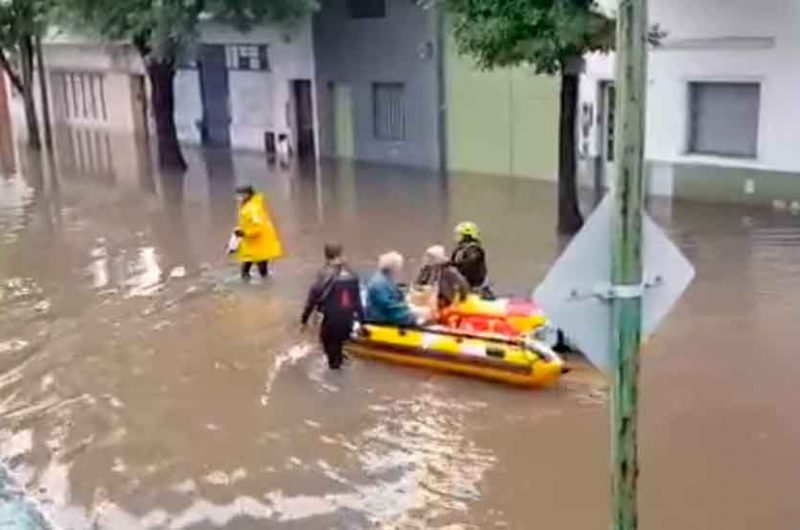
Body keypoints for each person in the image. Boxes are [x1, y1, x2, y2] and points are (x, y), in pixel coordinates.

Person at [301, 244, 363, 370]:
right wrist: (363, 321)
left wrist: (304, 320)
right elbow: (357, 301)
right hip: (347, 319)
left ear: (326, 256)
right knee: (338, 346)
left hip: (330, 320)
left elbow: (312, 298)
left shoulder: (323, 274)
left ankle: (337, 373)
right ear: (341, 255)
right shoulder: (352, 274)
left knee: (329, 350)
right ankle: (341, 363)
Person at [235, 185, 283, 280]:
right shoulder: (248, 205)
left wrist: (244, 233)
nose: (238, 198)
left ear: (247, 194)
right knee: (251, 269)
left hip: (259, 243)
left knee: (257, 269)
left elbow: (258, 227)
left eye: (240, 195)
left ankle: (264, 289)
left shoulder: (253, 208)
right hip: (253, 244)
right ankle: (264, 287)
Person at [366, 252, 426, 327]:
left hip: (388, 315)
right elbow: (389, 308)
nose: (400, 268)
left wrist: (407, 305)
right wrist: (413, 315)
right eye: (399, 266)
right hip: (382, 321)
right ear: (393, 267)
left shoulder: (385, 279)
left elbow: (396, 299)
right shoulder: (379, 284)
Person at [413, 245, 470, 310]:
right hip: (425, 300)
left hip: (443, 300)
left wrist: (462, 300)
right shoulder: (426, 270)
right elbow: (418, 284)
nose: (427, 259)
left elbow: (463, 284)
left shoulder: (448, 270)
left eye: (430, 257)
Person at [451, 221, 491, 296]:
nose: (457, 238)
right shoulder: (459, 250)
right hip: (463, 287)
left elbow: (471, 260)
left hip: (476, 289)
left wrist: (458, 265)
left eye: (460, 235)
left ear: (467, 236)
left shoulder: (475, 249)